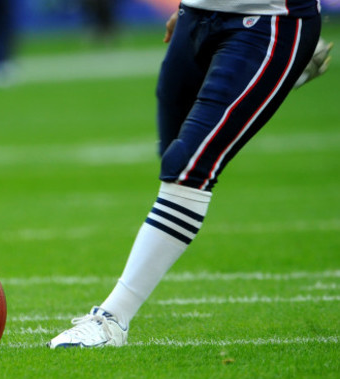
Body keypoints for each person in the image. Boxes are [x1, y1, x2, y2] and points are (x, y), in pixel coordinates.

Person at [49, 0, 330, 348]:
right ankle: (280, 78)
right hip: (197, 13)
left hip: (269, 20)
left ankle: (112, 319)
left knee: (187, 168)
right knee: (172, 148)